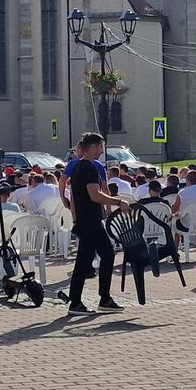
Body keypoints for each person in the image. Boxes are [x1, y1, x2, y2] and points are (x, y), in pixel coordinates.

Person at [66, 132, 128, 315]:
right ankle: (79, 302)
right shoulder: (88, 168)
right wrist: (118, 202)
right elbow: (95, 195)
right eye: (101, 147)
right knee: (87, 261)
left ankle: (101, 299)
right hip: (90, 222)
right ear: (93, 147)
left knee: (102, 256)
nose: (102, 151)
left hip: (87, 220)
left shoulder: (78, 167)